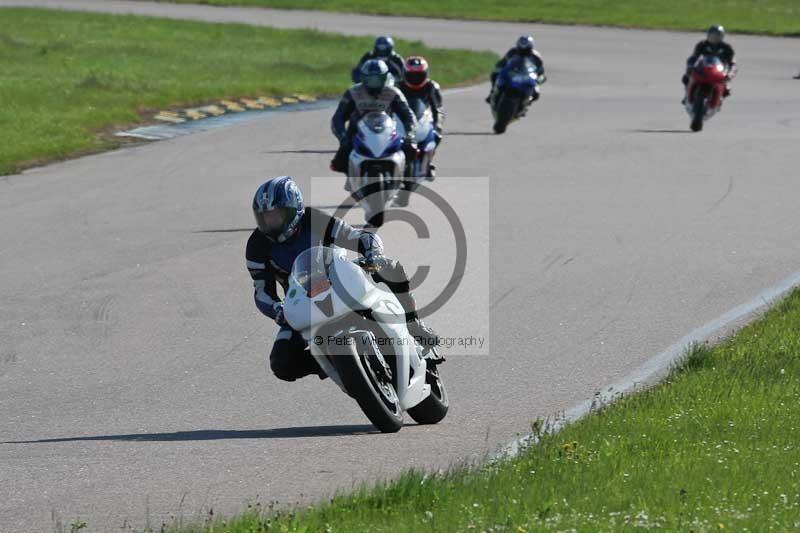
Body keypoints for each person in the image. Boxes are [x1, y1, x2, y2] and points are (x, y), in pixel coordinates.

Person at [246, 176, 440, 382]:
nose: (270, 223)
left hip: (342, 280)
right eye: (264, 217)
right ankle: (334, 361)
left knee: (391, 268)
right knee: (281, 363)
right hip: (303, 303)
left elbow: (359, 236)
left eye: (276, 215)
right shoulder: (256, 246)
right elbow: (261, 291)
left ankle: (413, 325)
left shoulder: (315, 219)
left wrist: (374, 255)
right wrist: (277, 309)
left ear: (295, 209)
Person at [330, 59, 418, 175]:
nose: (374, 82)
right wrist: (343, 137)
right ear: (363, 77)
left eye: (378, 79)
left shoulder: (393, 93)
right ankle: (353, 178)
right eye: (370, 78)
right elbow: (338, 117)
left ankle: (403, 175)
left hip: (387, 132)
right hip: (357, 132)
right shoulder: (353, 92)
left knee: (410, 148)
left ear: (385, 77)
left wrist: (409, 135)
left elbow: (408, 115)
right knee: (340, 160)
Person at [398, 56, 444, 178]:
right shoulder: (397, 86)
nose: (415, 78)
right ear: (405, 74)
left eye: (419, 75)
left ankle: (428, 162)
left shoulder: (432, 86)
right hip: (401, 118)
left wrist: (438, 125)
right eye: (412, 75)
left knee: (437, 136)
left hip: (423, 118)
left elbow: (438, 109)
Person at [487, 35, 545, 104]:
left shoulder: (536, 56)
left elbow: (540, 69)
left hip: (527, 75)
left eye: (526, 50)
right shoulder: (512, 51)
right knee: (495, 75)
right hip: (512, 72)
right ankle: (492, 93)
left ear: (530, 47)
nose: (523, 51)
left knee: (536, 93)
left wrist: (539, 76)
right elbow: (503, 61)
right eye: (521, 49)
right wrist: (499, 66)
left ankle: (526, 102)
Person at [683, 25, 736, 98]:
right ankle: (687, 95)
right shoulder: (702, 44)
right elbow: (694, 57)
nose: (715, 38)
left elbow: (732, 63)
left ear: (722, 37)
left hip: (719, 70)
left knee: (727, 91)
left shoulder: (727, 48)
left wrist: (730, 74)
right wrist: (690, 66)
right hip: (704, 66)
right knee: (686, 78)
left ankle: (718, 99)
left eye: (718, 36)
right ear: (708, 35)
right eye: (713, 35)